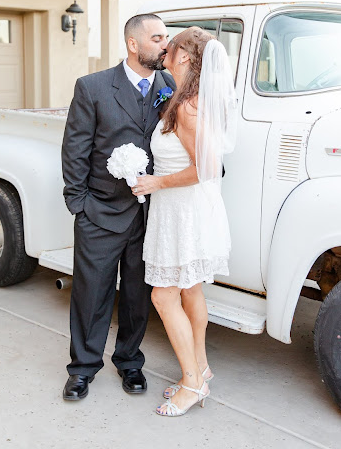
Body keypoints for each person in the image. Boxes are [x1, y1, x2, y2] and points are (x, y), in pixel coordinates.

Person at [61, 13, 174, 401]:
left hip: (150, 215)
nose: (165, 44)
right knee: (92, 294)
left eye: (166, 37)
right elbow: (75, 149)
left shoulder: (170, 85)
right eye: (157, 38)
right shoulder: (92, 87)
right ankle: (82, 368)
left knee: (137, 296)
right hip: (100, 212)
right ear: (133, 43)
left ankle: (129, 362)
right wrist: (80, 204)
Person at [131, 27, 237, 417]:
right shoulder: (185, 97)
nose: (165, 49)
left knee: (163, 295)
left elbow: (206, 169)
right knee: (190, 291)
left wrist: (156, 181)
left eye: (170, 45)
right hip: (179, 208)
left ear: (186, 58)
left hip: (182, 210)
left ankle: (191, 384)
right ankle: (202, 369)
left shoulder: (188, 106)